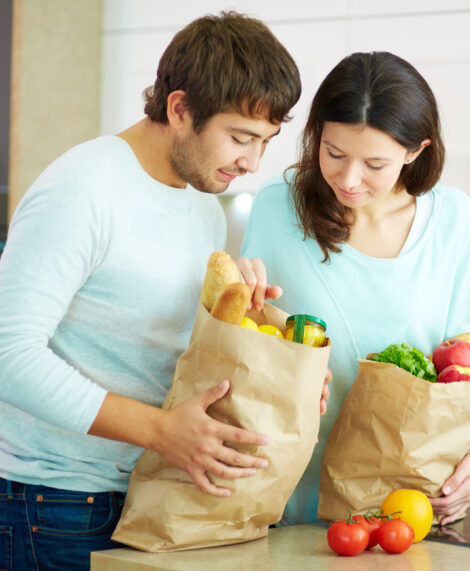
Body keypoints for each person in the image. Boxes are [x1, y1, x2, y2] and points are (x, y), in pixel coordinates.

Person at [0, 12, 308, 570]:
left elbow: (158, 354)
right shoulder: (84, 189)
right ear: (180, 108)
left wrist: (251, 332)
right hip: (54, 503)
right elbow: (9, 356)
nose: (253, 162)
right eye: (240, 137)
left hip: (146, 492)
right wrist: (162, 431)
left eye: (265, 141)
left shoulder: (203, 207)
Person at [239, 51, 470, 526]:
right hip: (291, 498)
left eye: (374, 164)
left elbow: (467, 371)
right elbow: (251, 336)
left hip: (411, 504)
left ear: (415, 151)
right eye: (334, 153)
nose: (349, 179)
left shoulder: (457, 223)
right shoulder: (277, 210)